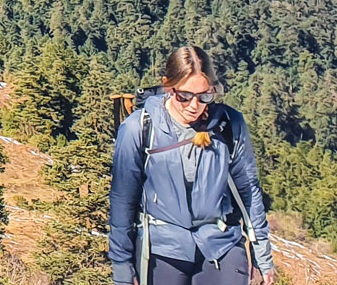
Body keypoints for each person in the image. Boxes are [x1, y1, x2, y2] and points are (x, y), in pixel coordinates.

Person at [109, 46, 276, 285]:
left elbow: (248, 191)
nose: (195, 105)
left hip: (221, 244)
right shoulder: (139, 128)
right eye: (184, 96)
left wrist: (262, 256)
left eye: (205, 96)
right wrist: (122, 265)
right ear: (168, 86)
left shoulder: (229, 125)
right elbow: (122, 200)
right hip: (161, 247)